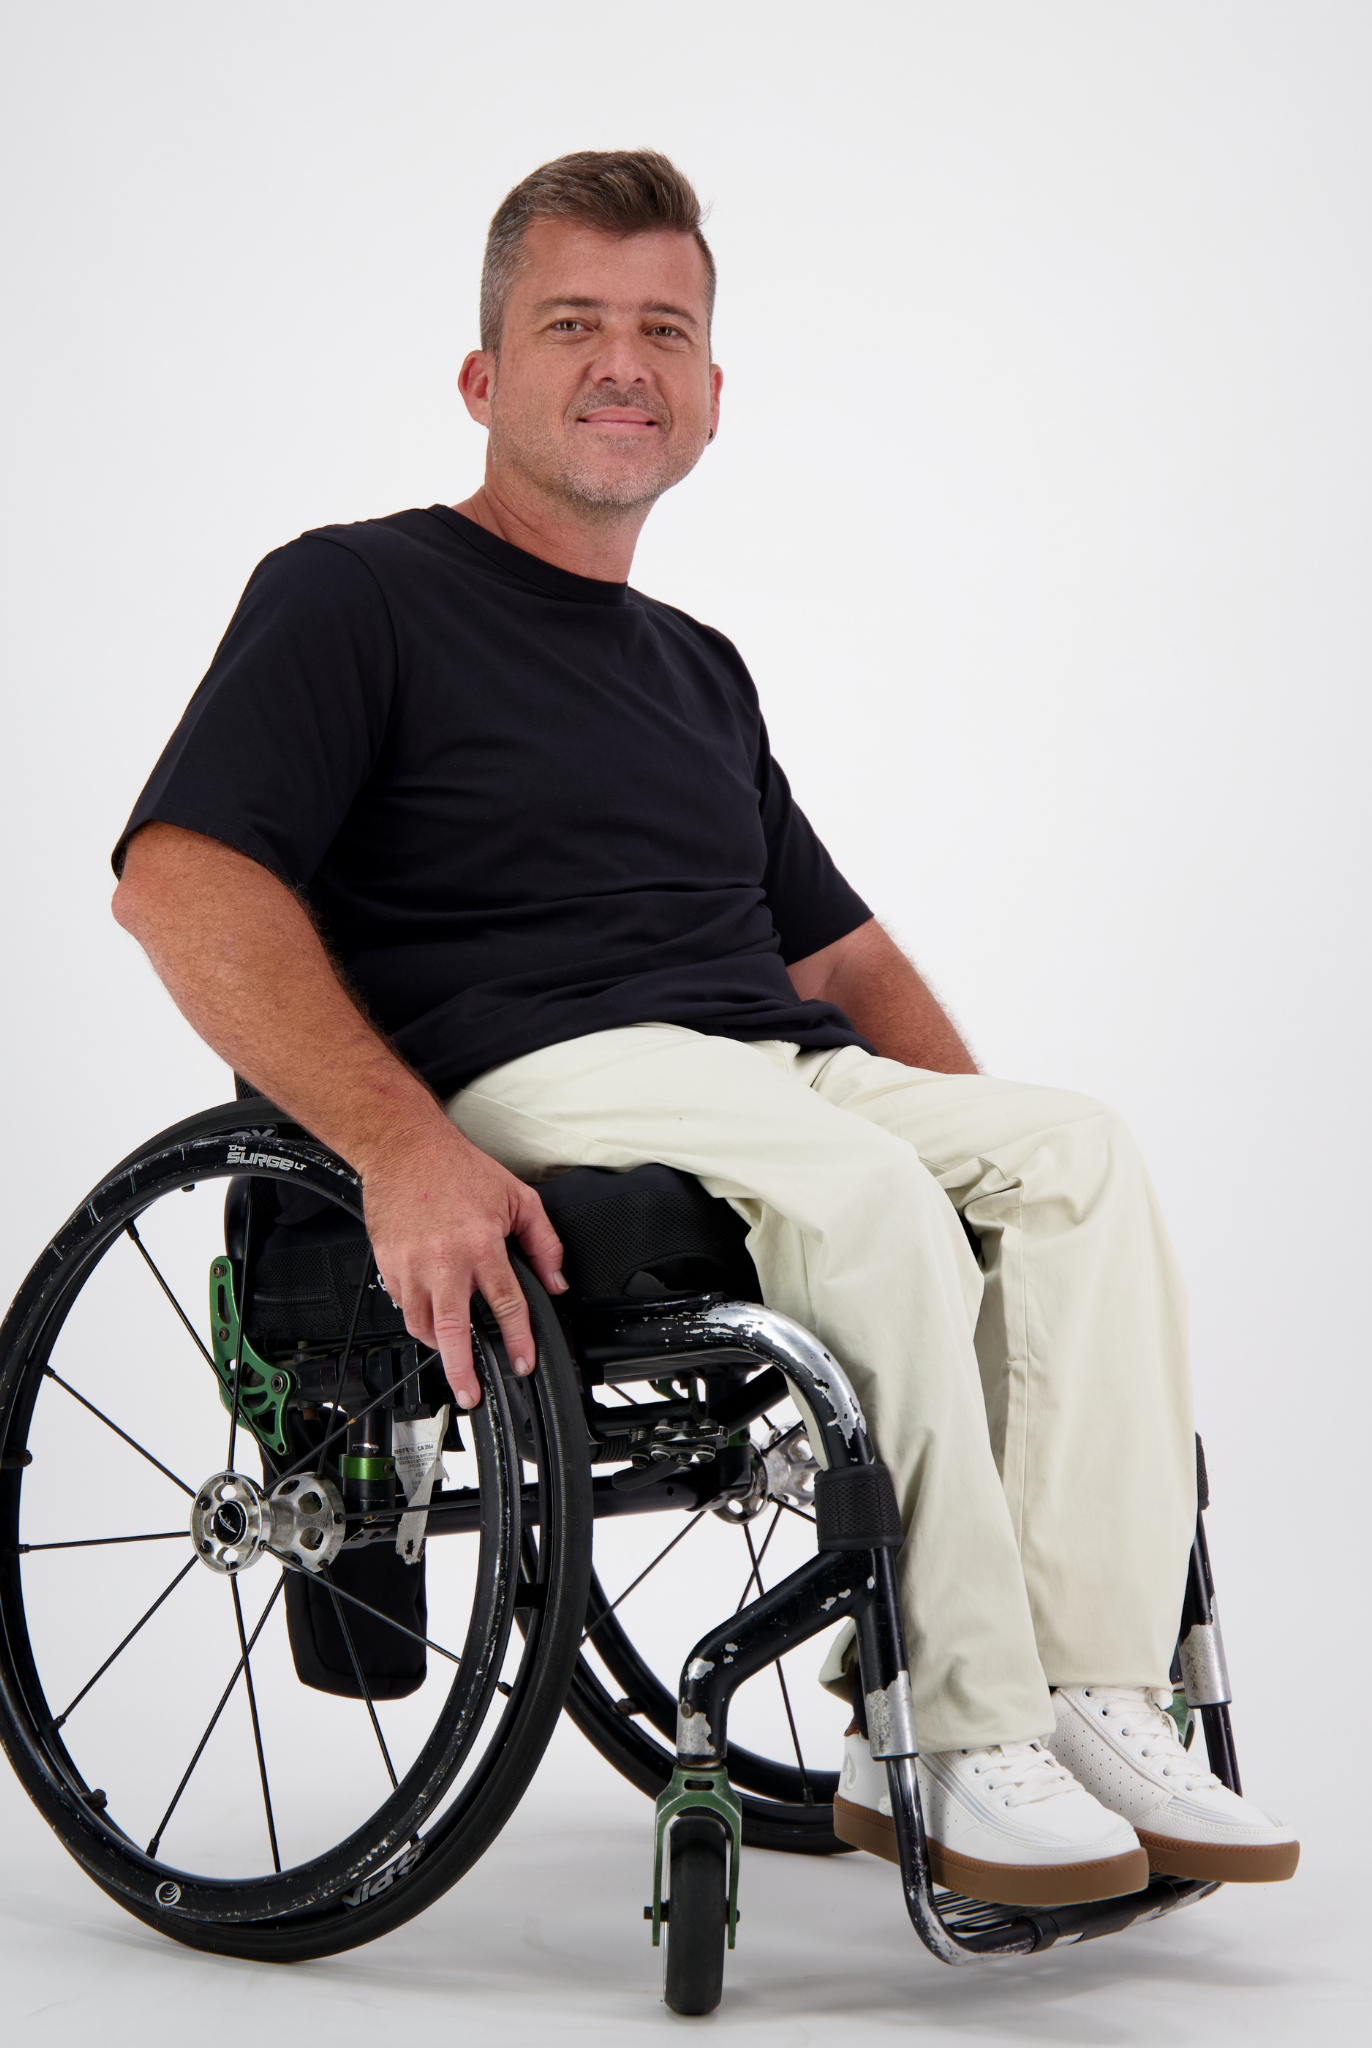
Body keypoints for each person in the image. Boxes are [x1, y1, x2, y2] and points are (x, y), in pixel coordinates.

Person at [110, 149, 1297, 1910]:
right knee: (859, 1188)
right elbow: (181, 883)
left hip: (754, 1077)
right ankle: (957, 1725)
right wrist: (399, 1145)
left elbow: (842, 959)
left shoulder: (696, 666)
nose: (621, 361)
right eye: (572, 321)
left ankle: (1087, 1687)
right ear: (482, 378)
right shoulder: (354, 592)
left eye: (663, 329)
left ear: (712, 397)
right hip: (526, 1070)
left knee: (1077, 1159)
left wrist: (976, 1186)